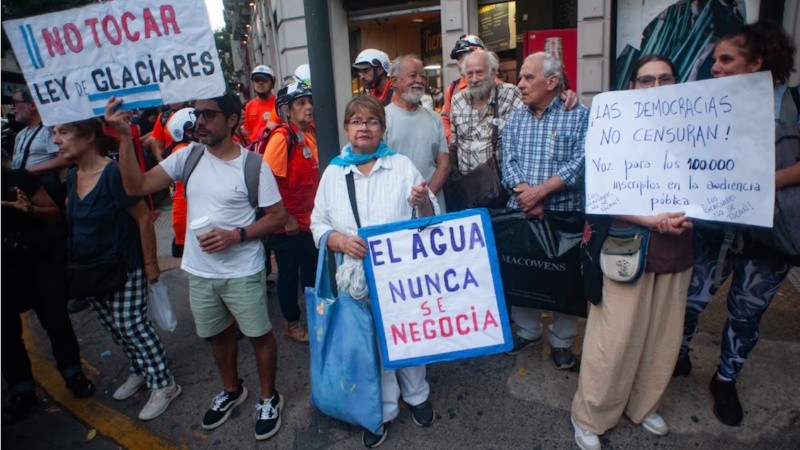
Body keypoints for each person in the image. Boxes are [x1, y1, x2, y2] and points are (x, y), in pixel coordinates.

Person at [109, 92, 289, 441]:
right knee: (218, 336)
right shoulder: (187, 157)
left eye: (209, 115)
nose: (199, 122)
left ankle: (270, 398)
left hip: (243, 271)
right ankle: (232, 389)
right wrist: (124, 136)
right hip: (200, 272)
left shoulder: (253, 165)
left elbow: (277, 216)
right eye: (197, 114)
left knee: (258, 336)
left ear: (233, 120)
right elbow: (136, 185)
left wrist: (237, 235)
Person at [675, 20, 800, 427]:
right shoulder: (708, 103)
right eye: (714, 60)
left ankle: (725, 380)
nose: (716, 68)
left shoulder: (794, 103)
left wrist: (762, 183)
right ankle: (677, 356)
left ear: (757, 62)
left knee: (746, 314)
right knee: (689, 301)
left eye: (726, 59)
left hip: (769, 236)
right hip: (714, 229)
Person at [570, 55, 694, 450]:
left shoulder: (698, 128)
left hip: (676, 245)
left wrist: (692, 216)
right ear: (632, 86)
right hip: (627, 244)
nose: (656, 87)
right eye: (646, 80)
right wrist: (650, 220)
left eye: (665, 79)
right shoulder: (613, 128)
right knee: (615, 335)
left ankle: (644, 405)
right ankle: (591, 415)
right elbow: (602, 193)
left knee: (662, 333)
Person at [311, 94, 438, 447]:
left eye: (371, 121)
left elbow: (428, 221)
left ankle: (416, 395)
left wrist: (422, 201)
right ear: (347, 128)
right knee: (367, 343)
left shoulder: (401, 166)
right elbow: (317, 223)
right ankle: (380, 410)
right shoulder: (334, 173)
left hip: (401, 274)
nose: (363, 127)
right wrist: (338, 241)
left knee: (408, 336)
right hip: (354, 278)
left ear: (382, 129)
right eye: (356, 121)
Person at [53, 117, 180, 421]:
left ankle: (164, 384)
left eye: (64, 131)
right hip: (88, 270)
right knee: (113, 327)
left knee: (132, 325)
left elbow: (144, 218)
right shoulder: (72, 176)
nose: (56, 139)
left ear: (88, 139)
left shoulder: (112, 174)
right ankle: (139, 370)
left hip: (122, 268)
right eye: (54, 133)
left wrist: (151, 265)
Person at [501, 52, 588, 369]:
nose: (520, 84)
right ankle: (527, 331)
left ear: (552, 82)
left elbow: (581, 164)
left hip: (564, 215)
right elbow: (507, 162)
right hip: (523, 213)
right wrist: (527, 196)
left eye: (528, 77)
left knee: (564, 282)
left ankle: (562, 343)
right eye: (520, 77)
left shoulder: (577, 115)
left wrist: (540, 193)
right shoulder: (515, 118)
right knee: (523, 273)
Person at [1, 156, 95, 424]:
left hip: (36, 264)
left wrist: (29, 209)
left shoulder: (19, 179)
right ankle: (21, 391)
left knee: (56, 321)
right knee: (6, 335)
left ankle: (73, 374)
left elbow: (53, 212)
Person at [263, 82, 320, 343]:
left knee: (311, 273)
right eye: (301, 103)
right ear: (286, 110)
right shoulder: (281, 138)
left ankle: (315, 318)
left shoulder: (312, 133)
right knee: (288, 275)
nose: (308, 107)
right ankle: (292, 323)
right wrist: (286, 218)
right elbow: (267, 183)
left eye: (309, 101)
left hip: (310, 222)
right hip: (288, 226)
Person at [384, 54, 450, 212]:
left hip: (432, 206)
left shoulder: (434, 118)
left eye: (422, 76)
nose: (419, 81)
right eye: (413, 75)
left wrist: (426, 198)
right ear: (394, 82)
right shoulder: (381, 118)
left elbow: (444, 164)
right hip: (396, 208)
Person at [449, 49, 522, 175]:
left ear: (493, 72)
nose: (474, 79)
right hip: (467, 185)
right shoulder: (457, 100)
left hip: (501, 185)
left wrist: (565, 94)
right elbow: (454, 143)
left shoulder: (511, 94)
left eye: (479, 73)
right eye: (469, 74)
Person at [10, 88, 71, 207]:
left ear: (32, 105)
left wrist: (27, 172)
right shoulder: (20, 135)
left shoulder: (49, 130)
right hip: (22, 189)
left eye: (15, 103)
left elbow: (65, 159)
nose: (13, 108)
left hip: (44, 189)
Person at [164, 107, 197, 258]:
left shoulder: (178, 149)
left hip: (186, 220)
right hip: (189, 221)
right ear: (188, 131)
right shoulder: (185, 152)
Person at [441, 34, 486, 143]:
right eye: (458, 58)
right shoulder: (453, 89)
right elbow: (444, 118)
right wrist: (451, 139)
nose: (460, 62)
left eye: (463, 57)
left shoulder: (498, 87)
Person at [242, 65, 277, 143]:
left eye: (264, 80)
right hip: (255, 150)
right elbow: (247, 132)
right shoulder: (249, 106)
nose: (260, 83)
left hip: (275, 149)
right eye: (257, 80)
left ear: (272, 84)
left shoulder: (279, 104)